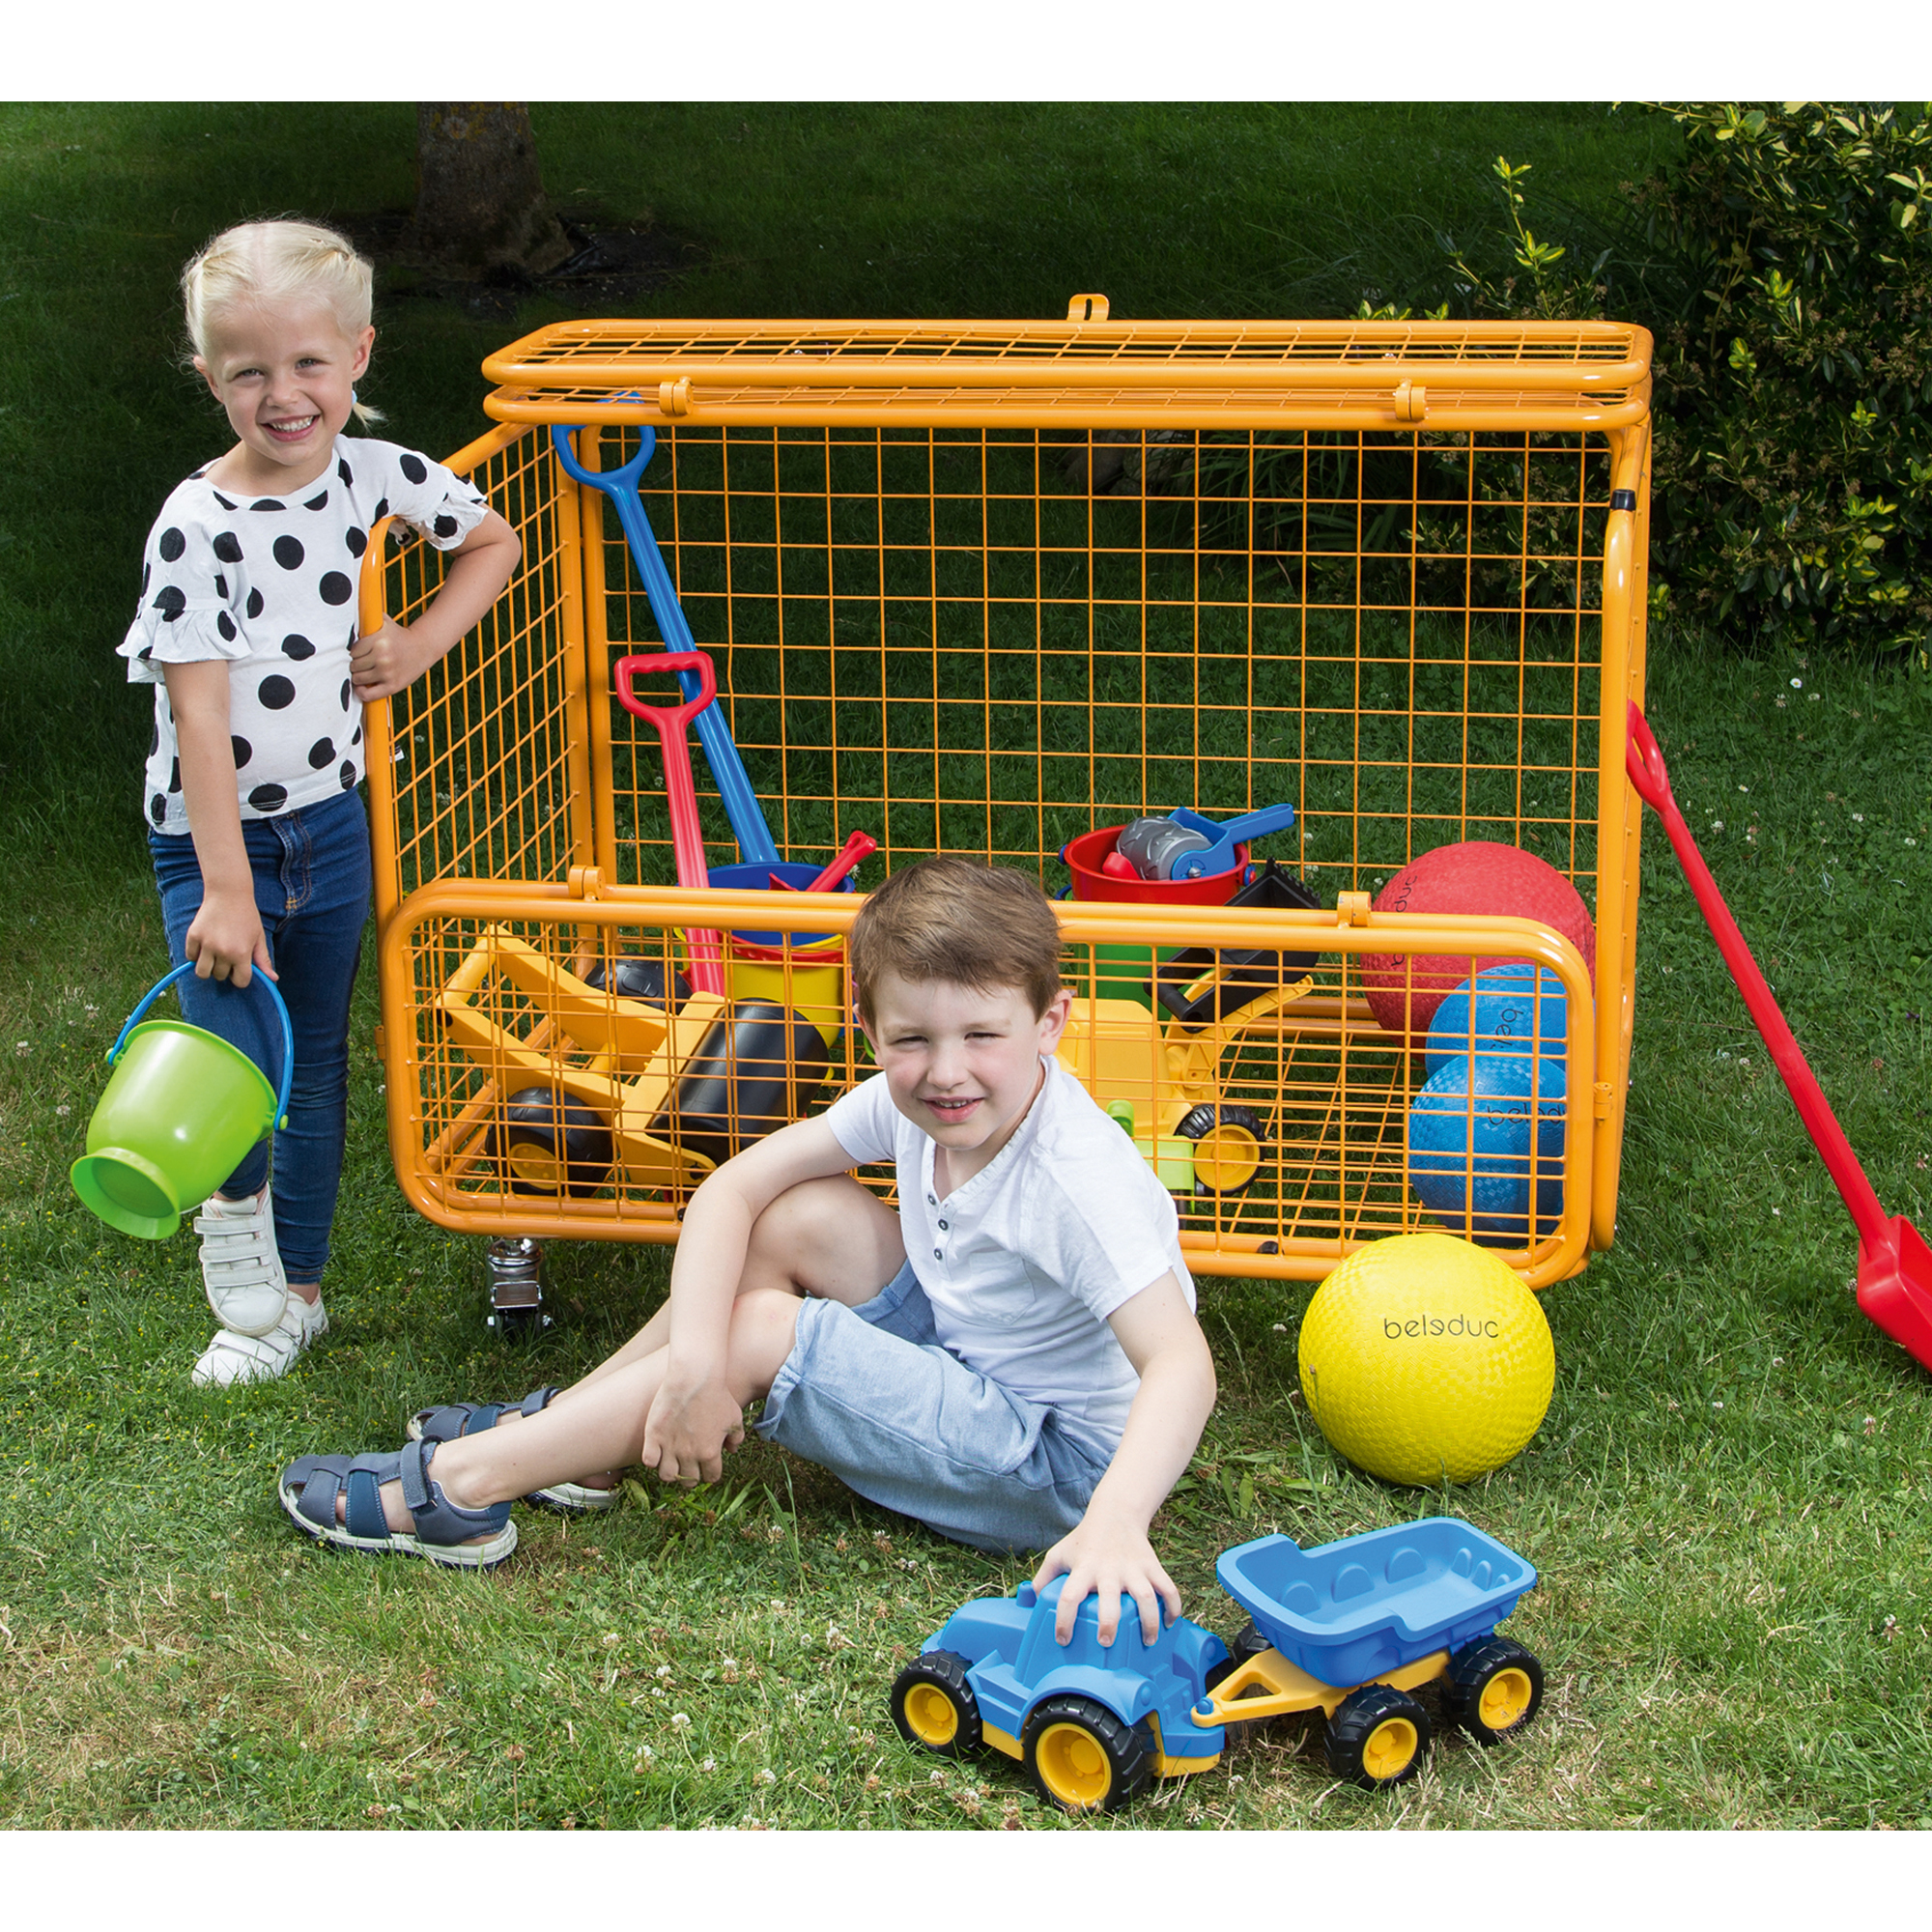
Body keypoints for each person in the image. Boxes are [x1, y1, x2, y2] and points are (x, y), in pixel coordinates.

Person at [279, 858, 1218, 1643]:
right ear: (869, 1029)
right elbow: (731, 1189)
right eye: (912, 1038)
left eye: (982, 1034)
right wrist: (692, 1363)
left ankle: (461, 1488)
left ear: (1047, 1024)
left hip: (1057, 1468)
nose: (946, 1069)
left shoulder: (1072, 1177)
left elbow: (1180, 1362)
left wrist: (1112, 1521)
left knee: (765, 1325)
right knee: (792, 1211)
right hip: (970, 1349)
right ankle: (577, 1439)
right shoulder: (913, 1098)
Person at [120, 219, 520, 1385]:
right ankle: (235, 1241)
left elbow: (487, 541)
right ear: (210, 380)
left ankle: (298, 1292)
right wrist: (227, 891)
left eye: (308, 364)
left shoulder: (376, 475)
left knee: (313, 1060)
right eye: (248, 370)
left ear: (359, 355)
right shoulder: (195, 527)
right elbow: (198, 720)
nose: (282, 394)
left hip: (331, 823)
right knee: (236, 1052)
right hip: (218, 838)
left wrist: (417, 643)